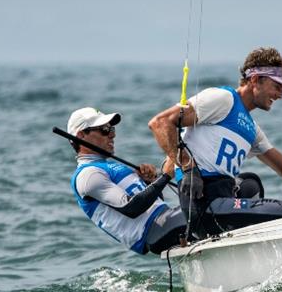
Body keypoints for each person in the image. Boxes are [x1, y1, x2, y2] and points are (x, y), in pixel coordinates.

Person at [148, 47, 282, 234]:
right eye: (277, 86)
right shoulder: (223, 99)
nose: (280, 94)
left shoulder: (252, 129)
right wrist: (188, 167)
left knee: (252, 183)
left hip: (224, 202)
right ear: (255, 79)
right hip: (204, 205)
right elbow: (160, 123)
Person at [67, 107, 190, 255]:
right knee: (208, 210)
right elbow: (132, 208)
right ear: (81, 136)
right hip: (154, 231)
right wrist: (166, 176)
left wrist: (149, 182)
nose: (112, 135)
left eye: (112, 129)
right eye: (104, 130)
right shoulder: (87, 175)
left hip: (165, 220)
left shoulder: (107, 167)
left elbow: (154, 205)